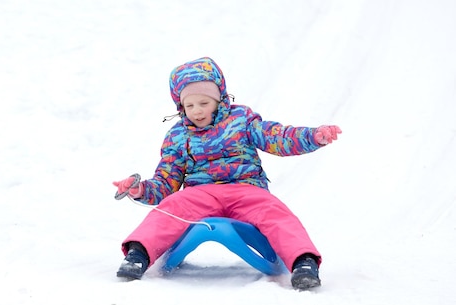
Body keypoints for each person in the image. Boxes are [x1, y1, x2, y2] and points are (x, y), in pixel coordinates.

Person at [112, 57, 341, 290]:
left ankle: (303, 260)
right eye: (189, 106)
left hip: (246, 189)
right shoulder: (177, 136)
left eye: (204, 103)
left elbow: (277, 137)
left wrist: (313, 137)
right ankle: (138, 254)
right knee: (172, 206)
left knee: (273, 211)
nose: (197, 111)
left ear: (220, 99)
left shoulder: (241, 119)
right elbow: (166, 181)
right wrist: (140, 190)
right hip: (200, 194)